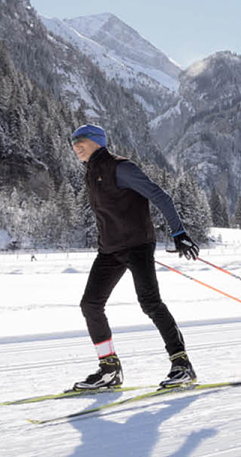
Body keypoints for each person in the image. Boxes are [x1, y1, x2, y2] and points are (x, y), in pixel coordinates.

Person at [69, 124, 201, 391]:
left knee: (150, 303)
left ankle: (182, 365)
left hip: (138, 245)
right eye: (72, 142)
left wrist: (178, 232)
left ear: (97, 141)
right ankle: (109, 370)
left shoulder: (121, 167)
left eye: (81, 140)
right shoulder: (90, 173)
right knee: (90, 305)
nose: (75, 145)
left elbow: (159, 196)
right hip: (109, 249)